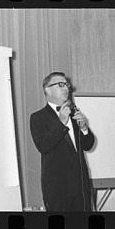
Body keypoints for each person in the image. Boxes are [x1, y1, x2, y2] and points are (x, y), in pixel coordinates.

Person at [28, 72, 95, 213]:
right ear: (47, 90)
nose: (66, 88)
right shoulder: (38, 117)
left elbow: (88, 145)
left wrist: (84, 128)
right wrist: (61, 123)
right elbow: (43, 146)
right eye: (60, 85)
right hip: (57, 190)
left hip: (81, 188)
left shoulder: (74, 113)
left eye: (66, 84)